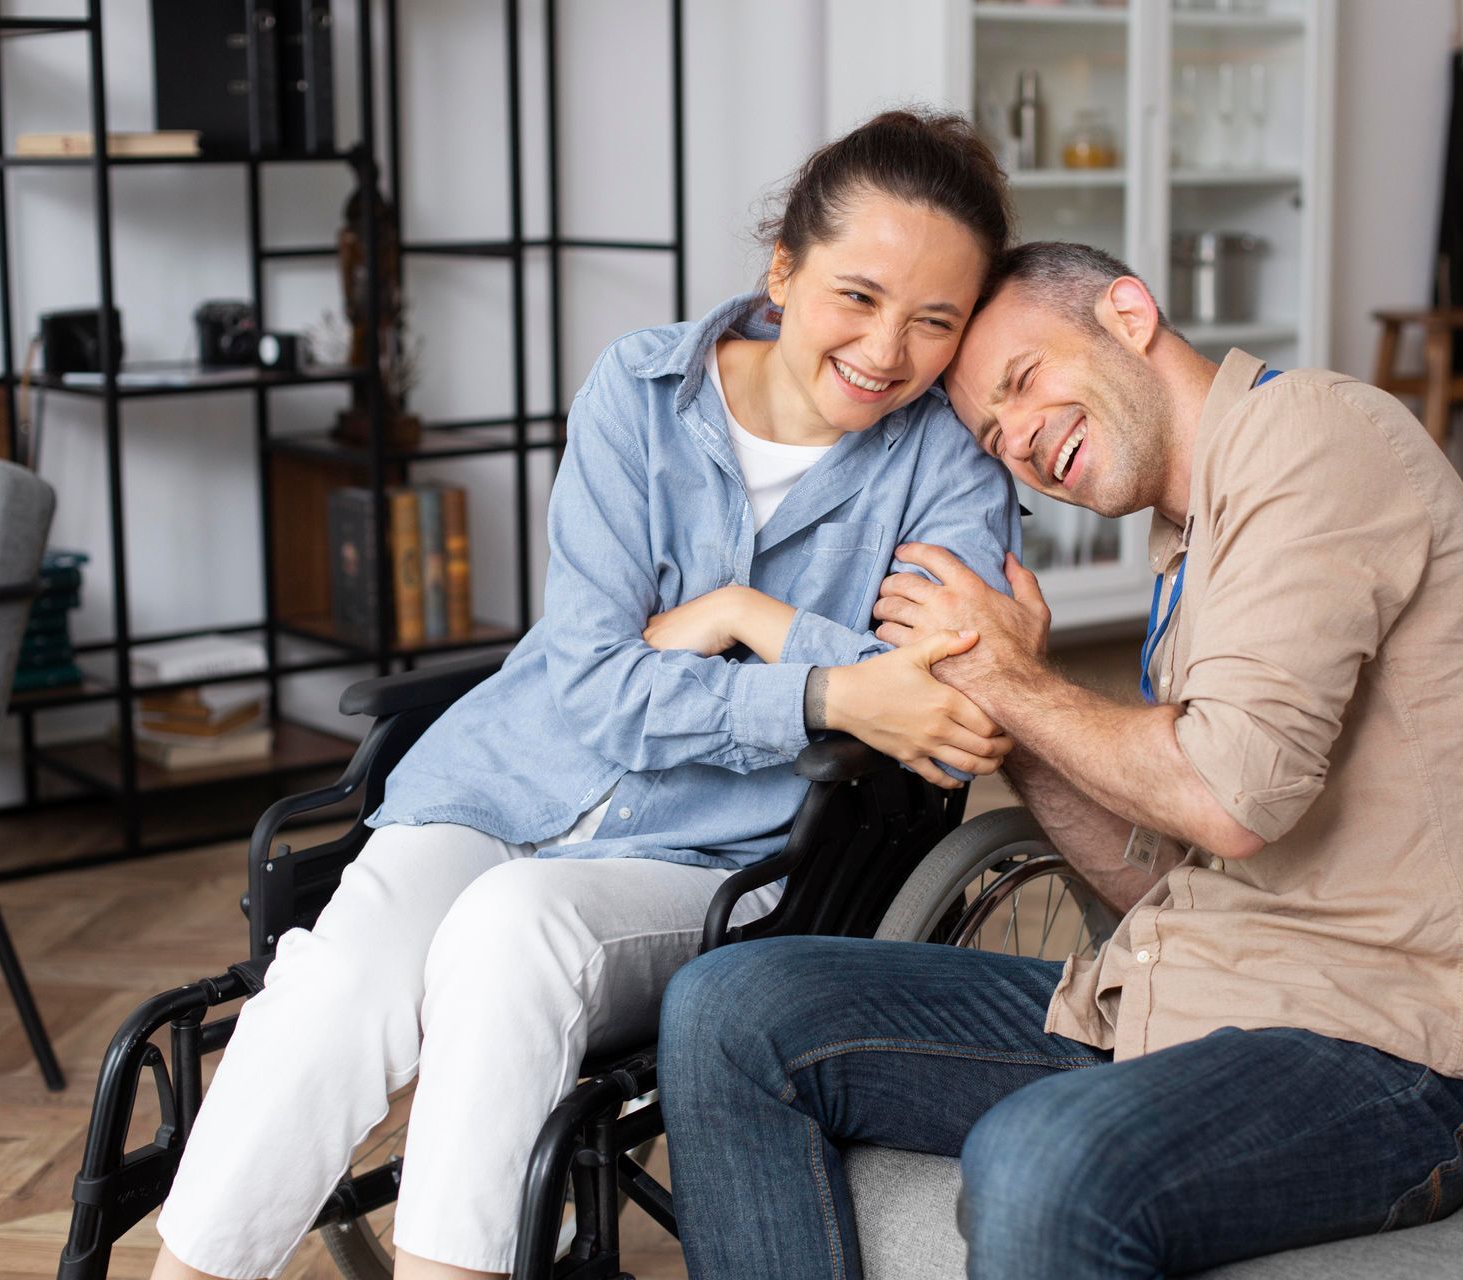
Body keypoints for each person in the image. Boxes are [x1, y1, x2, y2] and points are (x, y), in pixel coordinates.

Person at [150, 110, 1021, 1280]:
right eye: (858, 295)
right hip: (498, 784)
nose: (887, 349)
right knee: (335, 980)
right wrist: (831, 682)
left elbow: (943, 706)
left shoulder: (947, 462)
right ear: (782, 268)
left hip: (713, 858)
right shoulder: (641, 387)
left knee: (511, 932)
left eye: (935, 320)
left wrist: (742, 620)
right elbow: (599, 685)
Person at [658, 240, 1463, 1280]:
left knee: (1040, 1155)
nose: (1020, 440)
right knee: (729, 1008)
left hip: (1377, 1057)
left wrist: (1014, 679)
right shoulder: (1189, 538)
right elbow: (1156, 875)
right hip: (1173, 1002)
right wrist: (1013, 718)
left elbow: (1229, 795)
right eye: (993, 432)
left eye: (1025, 381)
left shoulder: (1313, 438)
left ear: (1129, 313)